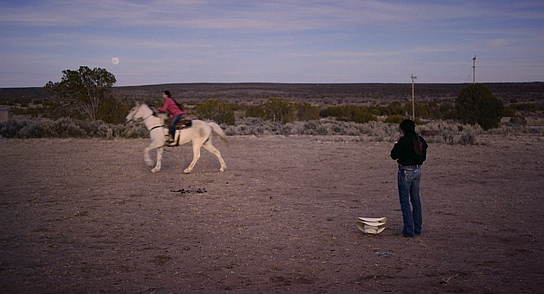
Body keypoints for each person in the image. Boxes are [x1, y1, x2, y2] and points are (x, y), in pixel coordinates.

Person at [390, 119, 428, 238]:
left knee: (405, 201)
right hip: (417, 171)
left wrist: (397, 141)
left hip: (406, 171)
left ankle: (408, 230)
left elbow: (393, 155)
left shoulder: (405, 140)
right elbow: (424, 157)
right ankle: (417, 228)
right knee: (416, 200)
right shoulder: (420, 140)